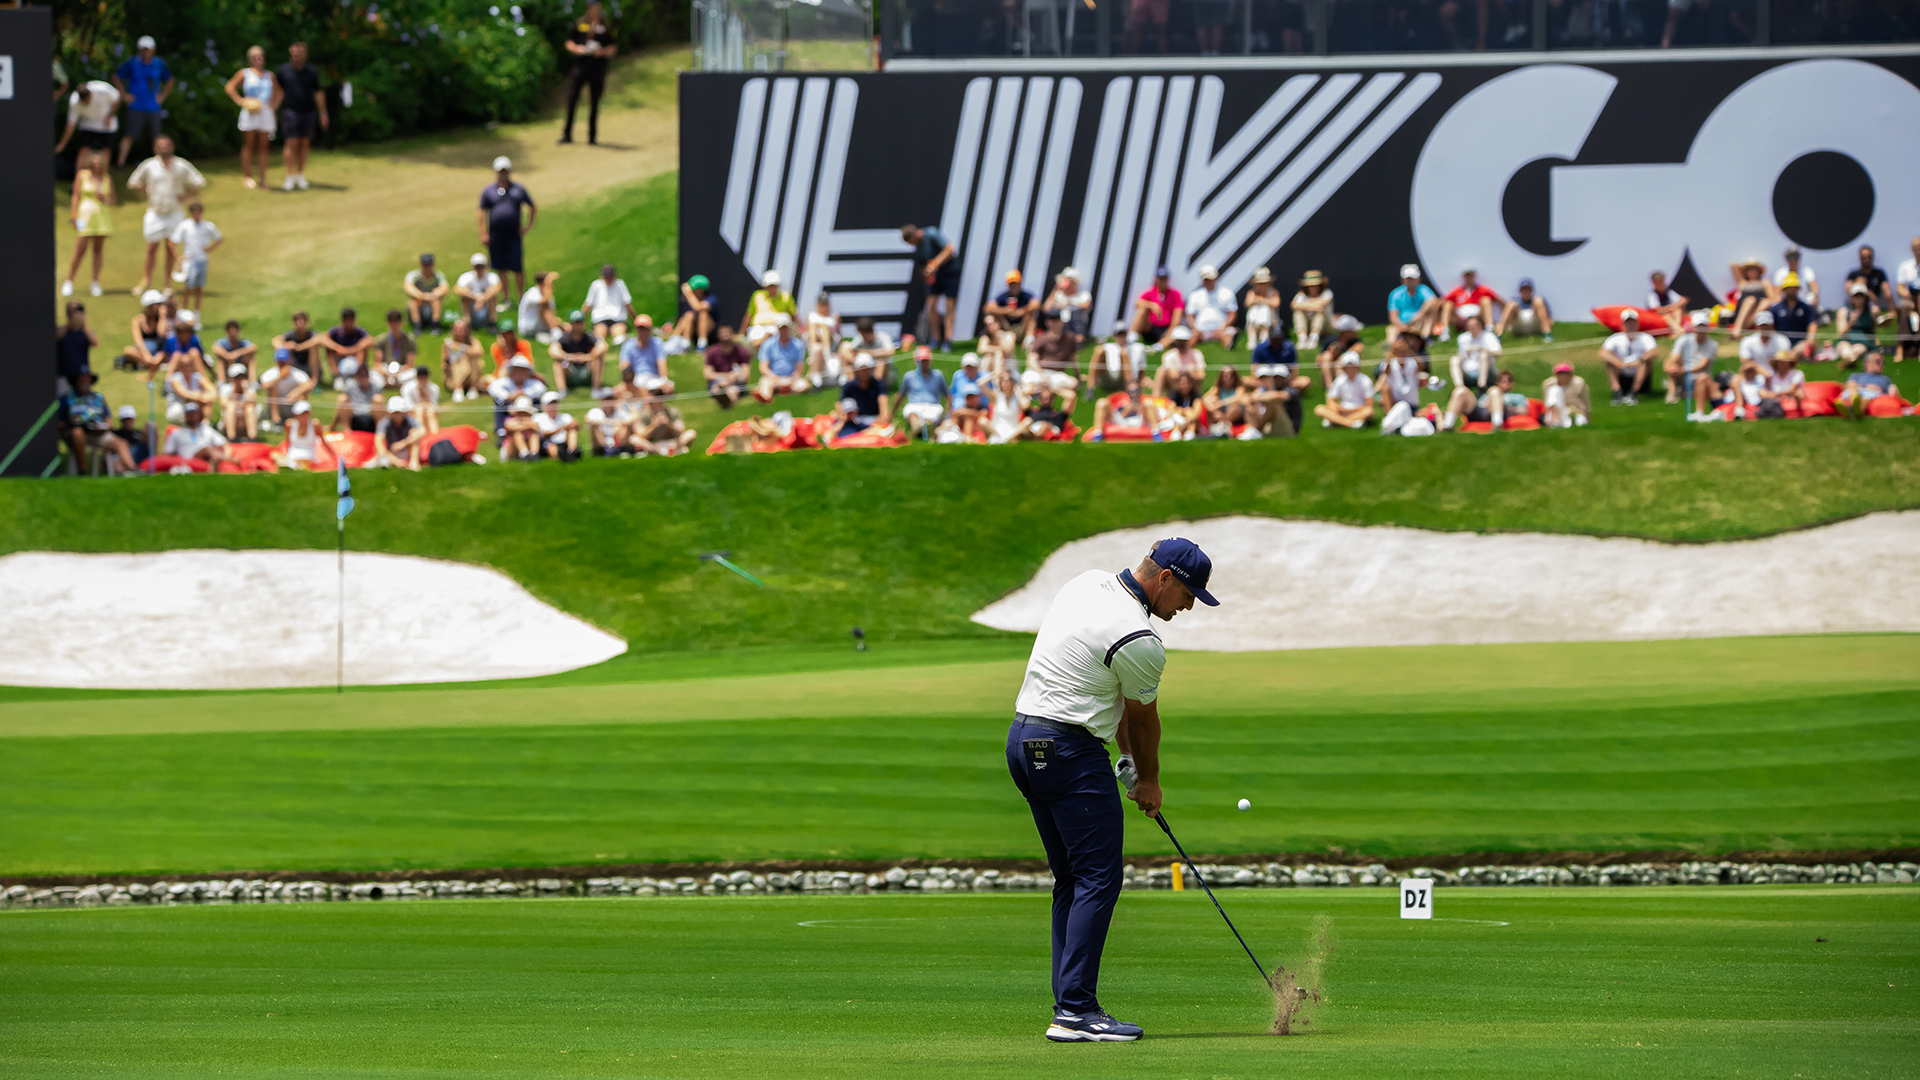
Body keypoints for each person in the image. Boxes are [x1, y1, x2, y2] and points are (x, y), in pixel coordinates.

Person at [1008, 537, 1217, 1043]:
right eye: (1188, 593)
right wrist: (1148, 780)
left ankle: (1068, 1004)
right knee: (1099, 879)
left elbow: (1110, 693)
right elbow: (1143, 720)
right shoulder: (1140, 639)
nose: (1188, 605)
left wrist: (1122, 762)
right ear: (1164, 578)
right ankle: (1076, 1010)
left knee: (1072, 879)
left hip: (1024, 740)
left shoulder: (1087, 584)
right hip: (1070, 751)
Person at [126, 136, 204, 297]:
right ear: (155, 148)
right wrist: (144, 190)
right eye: (160, 146)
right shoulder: (149, 165)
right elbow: (133, 181)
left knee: (171, 247)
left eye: (166, 146)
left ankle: (168, 284)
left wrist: (186, 196)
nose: (164, 149)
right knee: (151, 247)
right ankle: (146, 281)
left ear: (172, 147)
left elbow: (199, 181)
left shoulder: (181, 165)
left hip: (174, 212)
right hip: (155, 212)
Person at [478, 157, 536, 300]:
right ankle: (506, 297)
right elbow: (481, 212)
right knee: (500, 267)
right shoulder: (489, 190)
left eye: (505, 170)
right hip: (496, 235)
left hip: (513, 234)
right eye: (500, 171)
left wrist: (528, 227)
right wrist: (483, 233)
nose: (503, 173)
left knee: (517, 266)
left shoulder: (518, 189)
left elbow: (532, 206)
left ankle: (521, 296)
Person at [560, 0, 616, 145]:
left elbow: (613, 47)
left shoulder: (605, 26)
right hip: (580, 66)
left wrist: (602, 52)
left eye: (597, 7)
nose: (595, 10)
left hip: (597, 68)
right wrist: (578, 49)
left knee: (595, 102)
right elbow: (569, 42)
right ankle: (567, 134)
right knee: (572, 99)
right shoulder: (580, 23)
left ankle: (592, 137)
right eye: (592, 7)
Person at [222, 46, 279, 190]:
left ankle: (263, 178)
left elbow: (279, 92)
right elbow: (229, 87)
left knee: (264, 147)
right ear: (250, 59)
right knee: (249, 144)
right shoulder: (245, 73)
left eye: (261, 56)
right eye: (255, 57)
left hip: (265, 110)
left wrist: (273, 105)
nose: (259, 59)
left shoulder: (269, 75)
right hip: (250, 111)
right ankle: (247, 176)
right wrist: (241, 101)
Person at [58, 371, 135, 473]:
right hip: (75, 433)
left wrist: (102, 427)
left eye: (87, 379)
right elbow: (59, 422)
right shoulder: (67, 398)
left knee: (121, 443)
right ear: (76, 380)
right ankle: (83, 470)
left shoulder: (99, 398)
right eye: (82, 378)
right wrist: (71, 423)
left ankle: (133, 469)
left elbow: (109, 423)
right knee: (77, 432)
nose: (84, 381)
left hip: (98, 433)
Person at [62, 149, 115, 299]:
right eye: (95, 161)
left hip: (102, 217)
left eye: (100, 161)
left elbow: (113, 201)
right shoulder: (82, 175)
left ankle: (95, 282)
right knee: (80, 250)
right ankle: (69, 281)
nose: (97, 164)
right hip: (84, 216)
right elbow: (76, 196)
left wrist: (104, 198)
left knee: (98, 251)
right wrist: (73, 215)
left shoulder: (106, 178)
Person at [113, 35, 173, 167]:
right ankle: (120, 163)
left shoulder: (159, 64)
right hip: (136, 106)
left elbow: (170, 79)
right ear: (139, 50)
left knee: (156, 137)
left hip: (153, 107)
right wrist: (124, 95)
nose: (146, 52)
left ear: (153, 50)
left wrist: (163, 95)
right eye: (143, 49)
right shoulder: (132, 63)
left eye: (148, 49)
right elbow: (117, 76)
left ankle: (159, 165)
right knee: (130, 135)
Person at [275, 42, 326, 191]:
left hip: (308, 111)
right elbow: (276, 91)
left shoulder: (311, 71)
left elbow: (318, 92)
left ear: (305, 55)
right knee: (291, 142)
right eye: (293, 54)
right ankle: (289, 175)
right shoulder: (283, 71)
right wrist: (272, 109)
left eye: (298, 54)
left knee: (304, 143)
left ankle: (300, 174)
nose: (295, 57)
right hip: (290, 111)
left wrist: (323, 112)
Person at [902, 224, 959, 351]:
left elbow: (950, 249)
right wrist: (927, 276)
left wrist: (936, 263)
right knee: (931, 305)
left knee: (949, 306)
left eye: (911, 241)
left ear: (915, 235)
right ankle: (936, 338)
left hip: (950, 273)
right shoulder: (919, 246)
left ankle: (948, 340)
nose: (912, 244)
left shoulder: (931, 234)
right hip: (935, 277)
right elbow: (922, 265)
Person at [168, 202, 222, 314]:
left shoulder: (207, 226)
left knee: (199, 288)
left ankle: (196, 314)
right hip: (189, 260)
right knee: (188, 288)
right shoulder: (185, 225)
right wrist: (178, 256)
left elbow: (219, 238)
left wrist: (210, 249)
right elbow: (173, 241)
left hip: (202, 260)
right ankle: (183, 312)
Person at [54, 80, 120, 167]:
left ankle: (103, 178)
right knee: (84, 150)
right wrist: (62, 144)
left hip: (107, 126)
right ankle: (78, 178)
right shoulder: (75, 101)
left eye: (87, 101)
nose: (86, 103)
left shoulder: (102, 90)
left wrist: (110, 115)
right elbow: (71, 124)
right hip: (88, 125)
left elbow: (118, 98)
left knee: (106, 151)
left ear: (90, 94)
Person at [1665, 313, 1720, 414]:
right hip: (1682, 371)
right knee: (1673, 366)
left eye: (1704, 326)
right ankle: (1672, 393)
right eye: (1699, 327)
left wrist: (1684, 370)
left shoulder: (1713, 344)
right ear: (1694, 327)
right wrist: (1670, 367)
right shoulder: (1683, 340)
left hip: (1699, 375)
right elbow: (1673, 357)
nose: (1701, 330)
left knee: (1703, 379)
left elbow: (1704, 364)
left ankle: (1690, 398)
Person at [827, 356, 892, 441]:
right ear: (856, 370)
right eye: (862, 368)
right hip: (855, 419)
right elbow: (840, 405)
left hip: (874, 418)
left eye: (867, 368)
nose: (864, 371)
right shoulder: (849, 386)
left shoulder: (879, 384)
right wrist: (843, 418)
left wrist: (883, 419)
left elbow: (883, 405)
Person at [1599, 309, 1656, 404]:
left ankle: (1633, 393)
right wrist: (1617, 362)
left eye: (1633, 322)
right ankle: (1617, 391)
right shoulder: (1615, 338)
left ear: (1637, 323)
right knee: (1609, 362)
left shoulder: (1645, 337)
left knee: (1646, 363)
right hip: (1622, 371)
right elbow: (1602, 353)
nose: (1630, 325)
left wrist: (1639, 360)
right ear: (1623, 324)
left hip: (1639, 370)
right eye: (1628, 323)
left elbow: (1654, 352)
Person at [1029, 314, 1082, 416]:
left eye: (1057, 319)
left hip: (1058, 374)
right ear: (1047, 322)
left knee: (1074, 384)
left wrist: (1078, 375)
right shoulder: (1041, 338)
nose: (1055, 322)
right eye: (1052, 319)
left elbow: (1073, 359)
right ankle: (1037, 403)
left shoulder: (1069, 338)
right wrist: (1041, 374)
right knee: (1028, 385)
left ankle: (1059, 415)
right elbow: (1031, 360)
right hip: (1040, 372)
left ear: (1062, 322)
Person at [488, 358, 547, 445]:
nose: (519, 373)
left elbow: (541, 389)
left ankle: (540, 430)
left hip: (529, 410)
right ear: (512, 371)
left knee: (537, 402)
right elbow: (492, 388)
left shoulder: (532, 383)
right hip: (509, 411)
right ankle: (501, 432)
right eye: (517, 370)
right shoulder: (505, 381)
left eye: (522, 370)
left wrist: (523, 394)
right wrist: (508, 396)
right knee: (499, 402)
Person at [1443, 369, 1524, 432]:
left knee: (1494, 391)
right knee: (1460, 390)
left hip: (1502, 411)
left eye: (1508, 381)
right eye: (1502, 381)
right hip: (1481, 410)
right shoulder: (1488, 394)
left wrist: (1504, 405)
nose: (1505, 383)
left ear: (1512, 383)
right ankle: (1448, 424)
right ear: (1498, 382)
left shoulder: (1517, 397)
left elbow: (1523, 411)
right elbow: (1479, 404)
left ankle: (1497, 424)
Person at [899, 346, 951, 440]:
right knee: (912, 413)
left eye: (926, 360)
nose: (924, 363)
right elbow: (900, 396)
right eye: (921, 361)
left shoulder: (938, 376)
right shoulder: (909, 376)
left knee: (931, 417)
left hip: (933, 405)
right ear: (916, 361)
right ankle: (918, 428)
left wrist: (948, 415)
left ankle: (924, 429)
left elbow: (948, 395)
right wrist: (892, 414)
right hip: (914, 404)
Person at [550, 310, 607, 395]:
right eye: (575, 323)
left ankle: (596, 389)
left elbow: (603, 346)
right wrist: (568, 357)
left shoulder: (588, 337)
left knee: (598, 359)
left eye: (580, 322)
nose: (578, 326)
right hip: (570, 369)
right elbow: (553, 350)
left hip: (586, 369)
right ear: (571, 323)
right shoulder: (565, 338)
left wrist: (589, 356)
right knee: (558, 362)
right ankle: (562, 390)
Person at [753, 316, 810, 401]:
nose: (783, 331)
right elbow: (763, 367)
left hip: (791, 379)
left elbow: (799, 368)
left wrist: (791, 379)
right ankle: (766, 398)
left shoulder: (798, 345)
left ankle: (783, 390)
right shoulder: (767, 344)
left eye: (785, 328)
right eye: (781, 329)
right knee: (765, 383)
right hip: (773, 378)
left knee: (804, 385)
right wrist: (774, 377)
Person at [630, 386, 697, 456]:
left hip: (672, 442)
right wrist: (653, 425)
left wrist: (669, 424)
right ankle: (661, 452)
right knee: (634, 439)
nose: (649, 404)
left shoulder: (672, 411)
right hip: (654, 444)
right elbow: (640, 434)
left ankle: (672, 450)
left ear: (661, 401)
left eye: (652, 402)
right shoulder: (644, 414)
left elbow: (681, 431)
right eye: (649, 402)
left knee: (691, 433)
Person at [1186, 265, 1239, 351]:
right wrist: (1196, 328)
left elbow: (1232, 314)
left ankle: (1229, 345)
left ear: (1216, 278)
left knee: (1227, 333)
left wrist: (1223, 326)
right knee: (1192, 335)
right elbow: (1189, 316)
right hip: (1200, 329)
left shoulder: (1226, 292)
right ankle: (1186, 351)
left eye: (1209, 279)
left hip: (1221, 328)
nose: (1207, 282)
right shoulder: (1194, 295)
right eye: (1205, 279)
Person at [1089, 378, 1160, 441]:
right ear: (1127, 391)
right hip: (1121, 421)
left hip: (1139, 421)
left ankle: (1156, 433)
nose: (1134, 393)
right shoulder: (1122, 401)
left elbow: (1155, 416)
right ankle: (1098, 434)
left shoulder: (1144, 403)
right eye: (1131, 391)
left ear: (1140, 390)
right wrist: (1126, 410)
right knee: (1101, 402)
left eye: (1136, 390)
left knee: (1149, 403)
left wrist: (1140, 410)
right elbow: (1117, 416)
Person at [1316, 352, 1374, 429]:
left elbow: (1369, 404)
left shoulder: (1365, 381)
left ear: (1357, 366)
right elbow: (1331, 400)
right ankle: (1351, 423)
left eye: (1352, 365)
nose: (1350, 368)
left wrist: (1349, 411)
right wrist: (1337, 407)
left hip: (1357, 410)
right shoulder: (1339, 380)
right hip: (1342, 410)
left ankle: (1335, 421)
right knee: (1319, 409)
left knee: (1369, 412)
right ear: (1344, 367)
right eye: (1348, 366)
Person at [259, 347, 314, 429]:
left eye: (284, 361)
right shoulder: (271, 373)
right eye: (280, 361)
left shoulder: (296, 373)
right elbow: (264, 385)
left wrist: (295, 393)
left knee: (302, 392)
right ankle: (276, 421)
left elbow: (309, 384)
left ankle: (297, 420)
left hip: (292, 404)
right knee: (272, 389)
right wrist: (280, 377)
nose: (282, 364)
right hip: (276, 405)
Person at [618, 315, 673, 395]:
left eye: (645, 328)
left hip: (653, 377)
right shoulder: (628, 345)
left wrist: (664, 380)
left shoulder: (657, 343)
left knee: (668, 389)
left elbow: (661, 364)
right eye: (640, 328)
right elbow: (624, 366)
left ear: (649, 329)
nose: (642, 331)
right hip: (636, 378)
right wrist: (626, 382)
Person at [742, 270, 797, 348]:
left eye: (774, 285)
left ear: (778, 286)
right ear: (764, 286)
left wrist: (800, 329)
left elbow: (794, 316)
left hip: (778, 328)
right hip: (758, 328)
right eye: (769, 286)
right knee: (755, 339)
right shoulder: (757, 296)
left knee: (774, 336)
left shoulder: (786, 297)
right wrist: (741, 334)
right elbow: (748, 315)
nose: (772, 288)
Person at [1131, 266, 1184, 347]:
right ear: (1156, 279)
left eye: (1164, 279)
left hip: (1166, 329)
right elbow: (1137, 303)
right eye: (1160, 279)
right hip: (1150, 327)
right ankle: (1132, 337)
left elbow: (1178, 314)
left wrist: (1170, 331)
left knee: (1176, 328)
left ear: (1168, 279)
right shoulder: (1150, 292)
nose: (1162, 282)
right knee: (1142, 309)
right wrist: (1152, 305)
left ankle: (1160, 346)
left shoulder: (1175, 294)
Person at [1451, 311, 1502, 394]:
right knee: (1454, 359)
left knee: (1483, 355)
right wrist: (1466, 353)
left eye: (1474, 327)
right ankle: (1460, 387)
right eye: (1470, 327)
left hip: (1487, 371)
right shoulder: (1462, 338)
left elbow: (1499, 352)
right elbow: (1460, 356)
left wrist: (1483, 349)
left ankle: (1481, 386)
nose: (1472, 329)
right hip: (1468, 370)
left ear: (1480, 326)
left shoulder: (1488, 336)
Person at [1387, 264, 1442, 340]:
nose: (1410, 281)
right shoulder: (1395, 294)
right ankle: (1390, 349)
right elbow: (1393, 316)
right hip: (1403, 324)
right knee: (1391, 331)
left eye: (1412, 278)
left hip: (1420, 323)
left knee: (1434, 307)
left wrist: (1419, 315)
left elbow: (1433, 301)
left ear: (1418, 279)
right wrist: (1400, 326)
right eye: (1407, 278)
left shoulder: (1423, 289)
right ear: (1403, 279)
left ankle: (1425, 338)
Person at [583, 263, 636, 344]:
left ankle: (619, 343)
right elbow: (588, 305)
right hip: (600, 319)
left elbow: (627, 305)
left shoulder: (620, 285)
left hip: (617, 319)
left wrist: (635, 320)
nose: (608, 279)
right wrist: (581, 318)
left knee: (619, 338)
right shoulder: (596, 285)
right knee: (599, 338)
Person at [984, 270, 1040, 345]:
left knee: (1031, 315)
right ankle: (997, 338)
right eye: (1011, 284)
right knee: (992, 316)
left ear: (1020, 284)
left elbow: (1037, 304)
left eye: (1015, 283)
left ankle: (1028, 340)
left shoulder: (1025, 295)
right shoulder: (1003, 296)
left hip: (1022, 325)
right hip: (1006, 327)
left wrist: (1022, 311)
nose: (1014, 286)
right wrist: (1006, 311)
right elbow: (988, 307)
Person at [1832, 283, 1880, 370]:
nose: (1858, 299)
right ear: (1851, 298)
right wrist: (1851, 322)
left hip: (1863, 341)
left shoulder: (1871, 312)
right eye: (1855, 296)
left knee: (1858, 349)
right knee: (1844, 348)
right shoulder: (1843, 311)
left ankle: (1848, 361)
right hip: (1846, 339)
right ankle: (1850, 360)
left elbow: (1873, 330)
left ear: (1865, 298)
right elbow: (1841, 333)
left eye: (1861, 296)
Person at [1440, 268, 1501, 336]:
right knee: (1448, 304)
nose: (1468, 278)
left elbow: (1498, 300)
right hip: (1460, 317)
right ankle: (1445, 332)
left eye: (1470, 275)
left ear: (1474, 276)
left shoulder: (1482, 289)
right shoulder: (1457, 290)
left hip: (1477, 316)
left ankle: (1489, 328)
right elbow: (1443, 301)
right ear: (1463, 277)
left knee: (1486, 300)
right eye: (1467, 275)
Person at [835, 318, 897, 385]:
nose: (864, 337)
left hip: (886, 374)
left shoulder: (883, 337)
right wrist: (855, 360)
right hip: (864, 367)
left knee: (881, 361)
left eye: (864, 334)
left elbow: (890, 352)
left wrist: (867, 352)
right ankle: (852, 384)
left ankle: (877, 387)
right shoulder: (860, 338)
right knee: (844, 346)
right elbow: (848, 350)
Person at [1089, 322, 1144, 398]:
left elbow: (1142, 369)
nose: (1121, 337)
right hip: (1109, 377)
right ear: (1114, 335)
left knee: (1124, 353)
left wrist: (1142, 380)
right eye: (1119, 335)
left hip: (1126, 379)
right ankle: (1090, 389)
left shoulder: (1137, 348)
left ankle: (1131, 391)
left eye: (1123, 334)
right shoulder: (1109, 347)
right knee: (1099, 351)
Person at [1767, 275, 1817, 358]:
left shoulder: (1806, 308)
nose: (1791, 291)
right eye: (1788, 288)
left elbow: (1812, 323)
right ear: (1784, 289)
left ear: (1797, 289)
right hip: (1780, 343)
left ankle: (1790, 356)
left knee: (1805, 346)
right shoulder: (1775, 309)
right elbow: (1771, 327)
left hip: (1800, 343)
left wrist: (1810, 340)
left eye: (1793, 288)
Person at [702, 323, 751, 409]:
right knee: (716, 388)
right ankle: (722, 399)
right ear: (718, 335)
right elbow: (707, 374)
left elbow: (745, 373)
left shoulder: (741, 351)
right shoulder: (712, 352)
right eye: (723, 333)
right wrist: (725, 377)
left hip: (736, 381)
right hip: (718, 381)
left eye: (728, 333)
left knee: (733, 390)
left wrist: (733, 377)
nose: (725, 336)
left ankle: (727, 403)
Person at [160, 403, 228, 465]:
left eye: (194, 413)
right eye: (190, 414)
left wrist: (226, 452)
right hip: (189, 457)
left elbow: (223, 443)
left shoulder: (206, 429)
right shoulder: (177, 433)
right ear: (185, 415)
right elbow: (167, 452)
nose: (193, 416)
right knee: (207, 449)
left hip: (208, 457)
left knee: (213, 456)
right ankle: (231, 460)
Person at [56, 302, 97, 399]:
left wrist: (84, 325)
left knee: (81, 402)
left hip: (81, 375)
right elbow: (56, 337)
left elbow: (95, 343)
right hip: (64, 374)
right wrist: (69, 324)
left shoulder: (85, 332)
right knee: (64, 400)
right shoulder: (62, 330)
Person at [1836, 353, 1896, 419]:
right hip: (1855, 391)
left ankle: (1851, 410)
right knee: (1854, 392)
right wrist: (1864, 387)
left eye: (1883, 363)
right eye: (1878, 362)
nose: (1882, 365)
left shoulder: (1885, 378)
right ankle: (1856, 410)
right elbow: (1848, 386)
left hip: (1872, 393)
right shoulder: (1855, 375)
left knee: (1868, 395)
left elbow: (1893, 393)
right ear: (1867, 363)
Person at [322, 308, 374, 384]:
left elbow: (370, 341)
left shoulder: (359, 332)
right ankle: (337, 377)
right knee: (329, 349)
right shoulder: (336, 331)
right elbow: (323, 339)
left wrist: (351, 350)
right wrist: (338, 348)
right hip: (339, 358)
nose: (348, 323)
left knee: (362, 349)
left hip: (354, 358)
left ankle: (358, 374)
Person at [272, 310, 327, 382]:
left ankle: (314, 381)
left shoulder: (311, 334)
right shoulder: (290, 336)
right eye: (299, 323)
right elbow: (275, 341)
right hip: (295, 366)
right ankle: (281, 376)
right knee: (282, 351)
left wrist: (299, 347)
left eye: (303, 323)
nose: (301, 326)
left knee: (314, 347)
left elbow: (319, 340)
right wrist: (287, 345)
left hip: (310, 367)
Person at [1043, 268, 1092, 346]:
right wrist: (1055, 290)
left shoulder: (1083, 295)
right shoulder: (1058, 294)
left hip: (1076, 323)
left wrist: (1069, 303)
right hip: (1061, 323)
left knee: (1076, 313)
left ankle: (1078, 341)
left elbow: (1087, 307)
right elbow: (1046, 309)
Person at [1152, 325, 1205, 398]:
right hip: (1174, 384)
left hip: (1191, 384)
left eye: (1183, 341)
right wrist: (1187, 373)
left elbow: (1202, 375)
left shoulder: (1196, 354)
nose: (1181, 343)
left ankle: (1195, 398)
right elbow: (1173, 375)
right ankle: (1156, 398)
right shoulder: (1169, 355)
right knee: (1160, 371)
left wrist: (1193, 374)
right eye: (1178, 340)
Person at [456, 253, 504, 331]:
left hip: (485, 307)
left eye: (481, 267)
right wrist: (475, 297)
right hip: (473, 307)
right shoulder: (466, 277)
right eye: (477, 267)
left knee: (493, 296)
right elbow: (458, 289)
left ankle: (492, 323)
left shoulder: (491, 276)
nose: (479, 269)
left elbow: (497, 287)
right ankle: (468, 323)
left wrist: (483, 298)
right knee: (464, 298)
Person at [333, 359, 384, 433]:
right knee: (342, 399)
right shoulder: (350, 385)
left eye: (364, 375)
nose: (363, 378)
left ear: (368, 376)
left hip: (370, 417)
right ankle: (347, 431)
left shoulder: (375, 387)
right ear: (356, 376)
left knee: (379, 399)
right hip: (354, 416)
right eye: (360, 375)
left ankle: (380, 432)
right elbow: (340, 409)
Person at [372, 398, 425, 469]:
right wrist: (395, 460)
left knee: (414, 433)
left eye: (399, 412)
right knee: (379, 450)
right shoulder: (385, 422)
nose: (396, 415)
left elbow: (422, 431)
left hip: (407, 449)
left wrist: (403, 443)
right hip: (392, 452)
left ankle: (414, 463)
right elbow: (378, 442)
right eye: (394, 413)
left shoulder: (410, 420)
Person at [1738, 312, 1792, 379]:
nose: (1765, 328)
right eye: (1762, 325)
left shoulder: (1782, 340)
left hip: (1778, 376)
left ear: (1772, 326)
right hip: (1755, 376)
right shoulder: (1747, 341)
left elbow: (1785, 362)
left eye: (1767, 325)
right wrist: (1761, 371)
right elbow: (1745, 363)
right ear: (1757, 326)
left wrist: (1770, 375)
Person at [1315, 315, 1364, 389]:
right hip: (1330, 372)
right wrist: (1331, 352)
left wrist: (1340, 354)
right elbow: (1317, 364)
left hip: (1344, 371)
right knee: (1327, 356)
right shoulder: (1330, 340)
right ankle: (1330, 388)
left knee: (1342, 361)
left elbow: (1357, 351)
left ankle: (1343, 388)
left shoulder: (1356, 343)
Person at [442, 318, 485, 402]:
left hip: (471, 377)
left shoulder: (473, 342)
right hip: (453, 377)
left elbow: (479, 352)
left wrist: (461, 347)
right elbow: (444, 364)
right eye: (457, 329)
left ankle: (473, 388)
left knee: (473, 359)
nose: (459, 331)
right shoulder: (448, 344)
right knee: (461, 360)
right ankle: (458, 389)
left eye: (462, 329)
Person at [1289, 270, 1333, 351]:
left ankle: (1314, 338)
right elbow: (1294, 305)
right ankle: (1302, 338)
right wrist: (1313, 305)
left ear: (1320, 285)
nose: (1313, 288)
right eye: (1310, 285)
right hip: (1308, 325)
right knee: (1298, 312)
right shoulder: (1301, 294)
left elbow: (1321, 306)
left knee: (1320, 312)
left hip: (1326, 326)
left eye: (1315, 285)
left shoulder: (1327, 293)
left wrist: (1304, 305)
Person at [671, 274, 717, 353]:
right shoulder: (691, 302)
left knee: (703, 314)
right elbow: (684, 318)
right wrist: (675, 336)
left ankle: (702, 344)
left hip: (711, 332)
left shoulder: (712, 299)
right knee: (689, 315)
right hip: (693, 331)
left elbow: (698, 308)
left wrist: (688, 294)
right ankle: (685, 344)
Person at [405, 254, 450, 332]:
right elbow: (408, 287)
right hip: (419, 305)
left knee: (437, 299)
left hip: (431, 305)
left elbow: (445, 288)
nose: (426, 268)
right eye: (424, 265)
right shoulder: (413, 275)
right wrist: (422, 296)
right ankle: (417, 325)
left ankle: (435, 325)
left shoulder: (438, 276)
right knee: (413, 300)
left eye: (428, 265)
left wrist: (433, 295)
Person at [517, 270, 563, 347]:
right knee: (544, 308)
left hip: (541, 327)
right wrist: (548, 283)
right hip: (529, 328)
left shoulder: (547, 295)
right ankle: (556, 334)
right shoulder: (532, 293)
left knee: (562, 324)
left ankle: (557, 332)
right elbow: (545, 301)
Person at [373, 309, 417, 385]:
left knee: (413, 373)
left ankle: (388, 383)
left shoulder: (409, 340)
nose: (394, 326)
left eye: (396, 323)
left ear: (400, 323)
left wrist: (398, 373)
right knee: (373, 373)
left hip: (401, 369)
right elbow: (377, 364)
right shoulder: (381, 340)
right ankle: (393, 382)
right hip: (386, 368)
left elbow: (410, 364)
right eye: (391, 323)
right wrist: (386, 373)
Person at [530, 392, 579, 461]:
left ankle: (572, 450)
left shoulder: (565, 416)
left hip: (564, 442)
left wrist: (575, 424)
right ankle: (563, 456)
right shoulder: (538, 418)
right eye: (551, 404)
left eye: (555, 403)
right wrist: (562, 428)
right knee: (551, 448)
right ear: (544, 405)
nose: (553, 406)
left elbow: (577, 426)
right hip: (548, 443)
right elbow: (543, 434)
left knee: (572, 430)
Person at [1847, 245, 1894, 315]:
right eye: (1864, 257)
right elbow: (1848, 290)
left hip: (1871, 303)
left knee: (1875, 311)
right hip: (1856, 304)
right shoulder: (1853, 274)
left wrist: (1864, 287)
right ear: (1860, 258)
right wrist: (1857, 284)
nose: (1866, 259)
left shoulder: (1879, 273)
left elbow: (1886, 292)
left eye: (1869, 256)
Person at [1542, 363, 1591, 428]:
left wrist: (1588, 417)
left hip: (1575, 411)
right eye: (1560, 373)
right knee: (1554, 390)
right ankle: (1555, 421)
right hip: (1557, 412)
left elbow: (1585, 401)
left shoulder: (1579, 383)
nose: (1562, 376)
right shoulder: (1549, 384)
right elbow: (1547, 402)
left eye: (1565, 373)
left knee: (1578, 423)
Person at [1727, 258, 1769, 334]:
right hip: (1744, 306)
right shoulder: (1742, 283)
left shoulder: (1764, 283)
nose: (1752, 272)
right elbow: (1732, 265)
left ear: (1759, 271)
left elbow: (1772, 298)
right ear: (1746, 272)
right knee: (1750, 300)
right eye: (1749, 269)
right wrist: (1744, 266)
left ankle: (1745, 326)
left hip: (1758, 309)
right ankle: (1738, 328)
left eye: (1755, 269)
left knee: (1766, 302)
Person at [804, 293, 841, 380]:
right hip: (815, 338)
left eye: (825, 304)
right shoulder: (811, 315)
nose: (823, 307)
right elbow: (808, 328)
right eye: (822, 304)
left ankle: (826, 352)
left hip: (830, 338)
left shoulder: (834, 317)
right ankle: (812, 352)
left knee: (824, 327)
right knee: (814, 326)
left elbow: (838, 333)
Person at [1243, 268, 1282, 349]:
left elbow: (1276, 303)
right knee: (1253, 310)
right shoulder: (1251, 292)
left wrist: (1261, 300)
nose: (1263, 286)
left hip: (1271, 322)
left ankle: (1263, 339)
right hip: (1254, 324)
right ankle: (1252, 340)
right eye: (1260, 283)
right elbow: (1247, 303)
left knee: (1265, 309)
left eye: (1265, 283)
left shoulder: (1273, 292)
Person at [219, 364, 258, 442]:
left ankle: (252, 438)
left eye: (241, 377)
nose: (239, 380)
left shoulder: (249, 388)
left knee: (250, 408)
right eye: (236, 377)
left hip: (244, 418)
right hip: (230, 418)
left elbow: (253, 400)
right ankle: (231, 438)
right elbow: (224, 403)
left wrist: (245, 390)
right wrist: (234, 390)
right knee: (231, 406)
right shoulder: (226, 389)